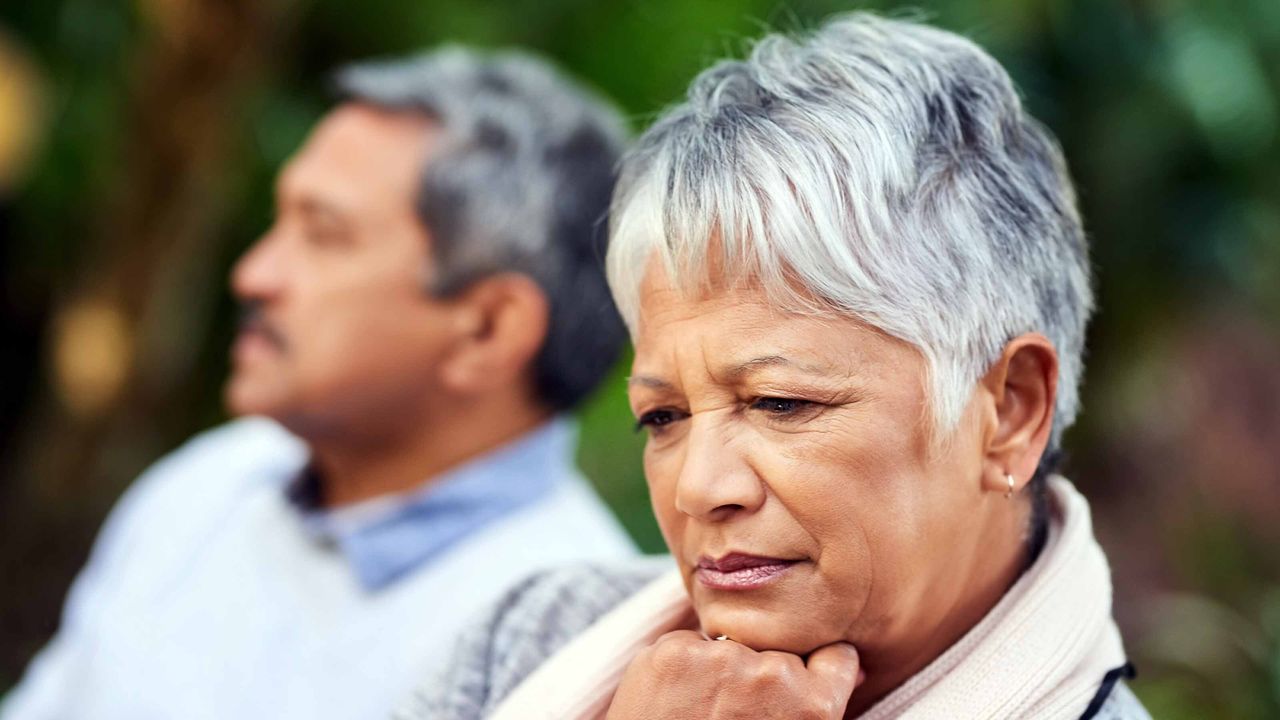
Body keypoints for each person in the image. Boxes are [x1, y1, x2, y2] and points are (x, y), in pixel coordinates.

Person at [400, 14, 1152, 720]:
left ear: (1010, 410)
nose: (699, 489)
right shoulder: (530, 640)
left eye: (779, 402)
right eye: (662, 417)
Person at [2, 48, 637, 720]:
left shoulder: (574, 651)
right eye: (281, 222)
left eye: (323, 234)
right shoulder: (207, 487)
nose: (255, 274)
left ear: (487, 329)